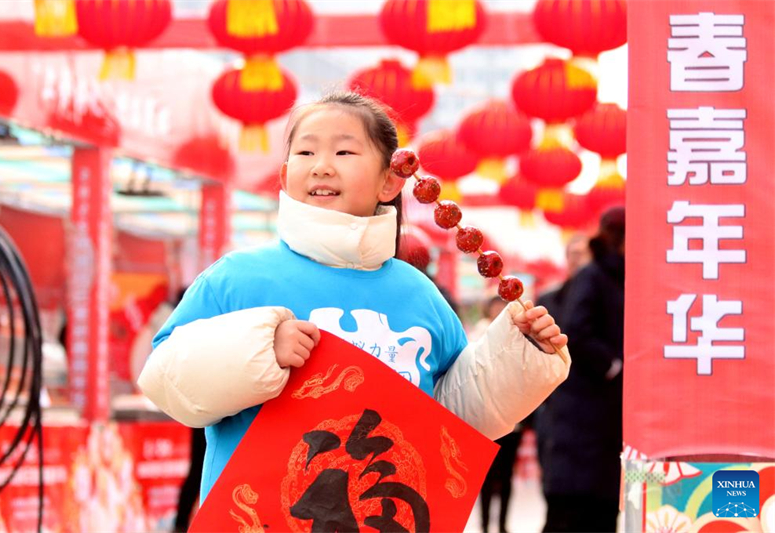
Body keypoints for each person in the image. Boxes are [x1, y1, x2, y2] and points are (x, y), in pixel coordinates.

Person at [137, 92, 571, 515]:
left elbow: (451, 417)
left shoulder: (419, 294)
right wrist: (261, 348)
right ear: (286, 176)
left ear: (389, 180)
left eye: (344, 153)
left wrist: (520, 356)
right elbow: (165, 379)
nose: (322, 166)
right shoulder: (237, 278)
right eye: (306, 153)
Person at [537, 207, 625, 533]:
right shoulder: (591, 280)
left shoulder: (615, 277)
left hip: (602, 423)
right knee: (569, 513)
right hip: (575, 419)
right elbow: (578, 332)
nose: (577, 260)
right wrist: (613, 366)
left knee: (600, 512)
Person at [473, 296, 522, 533]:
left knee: (506, 475)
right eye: (495, 306)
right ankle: (484, 525)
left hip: (513, 415)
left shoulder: (519, 336)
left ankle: (502, 524)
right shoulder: (478, 334)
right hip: (484, 413)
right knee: (485, 475)